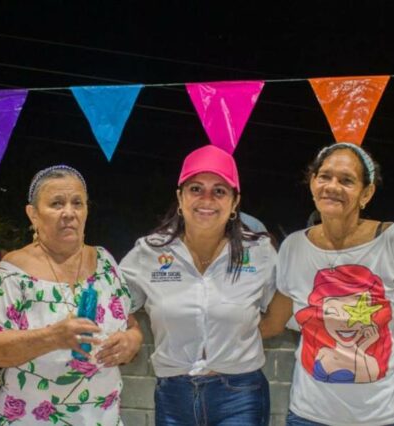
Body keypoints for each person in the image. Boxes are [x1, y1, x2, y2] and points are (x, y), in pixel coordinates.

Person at [272, 142, 394, 426]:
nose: (332, 186)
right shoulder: (294, 246)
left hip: (383, 416)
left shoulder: (392, 240)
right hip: (309, 416)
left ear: (366, 194)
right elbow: (274, 321)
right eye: (325, 176)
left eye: (346, 180)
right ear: (312, 183)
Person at [120, 145, 281, 425]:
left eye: (219, 190)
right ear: (180, 197)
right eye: (196, 189)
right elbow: (112, 302)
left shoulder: (260, 251)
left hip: (240, 395)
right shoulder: (150, 252)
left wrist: (236, 341)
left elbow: (280, 313)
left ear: (234, 202)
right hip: (173, 394)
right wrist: (132, 332)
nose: (207, 199)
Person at [0, 165, 143, 425]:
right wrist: (53, 337)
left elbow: (131, 323)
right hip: (31, 419)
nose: (69, 212)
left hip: (101, 417)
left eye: (77, 203)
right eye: (56, 203)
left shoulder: (105, 262)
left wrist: (132, 341)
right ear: (33, 214)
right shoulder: (14, 271)